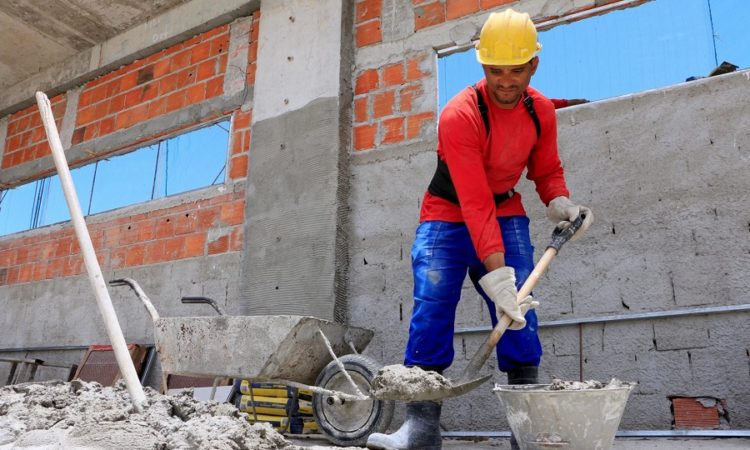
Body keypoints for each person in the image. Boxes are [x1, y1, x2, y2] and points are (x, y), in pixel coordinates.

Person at [366, 8, 593, 450]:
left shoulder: (541, 111)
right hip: (446, 216)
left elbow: (546, 169)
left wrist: (559, 202)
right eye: (495, 70)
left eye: (516, 69)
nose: (506, 80)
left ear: (534, 64)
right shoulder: (459, 115)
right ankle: (420, 432)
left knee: (518, 315)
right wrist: (497, 273)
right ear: (481, 65)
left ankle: (525, 433)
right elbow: (473, 202)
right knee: (432, 310)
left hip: (505, 210)